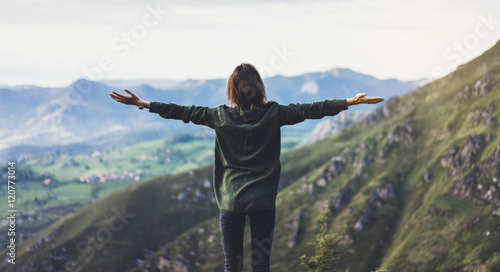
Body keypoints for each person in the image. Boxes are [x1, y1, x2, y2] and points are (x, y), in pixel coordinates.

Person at [109, 63, 384, 272]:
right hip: (263, 201)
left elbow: (183, 111)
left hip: (231, 202)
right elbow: (312, 109)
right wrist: (350, 102)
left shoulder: (218, 116)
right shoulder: (275, 113)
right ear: (259, 88)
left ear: (233, 92)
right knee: (260, 263)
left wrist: (144, 104)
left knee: (233, 264)